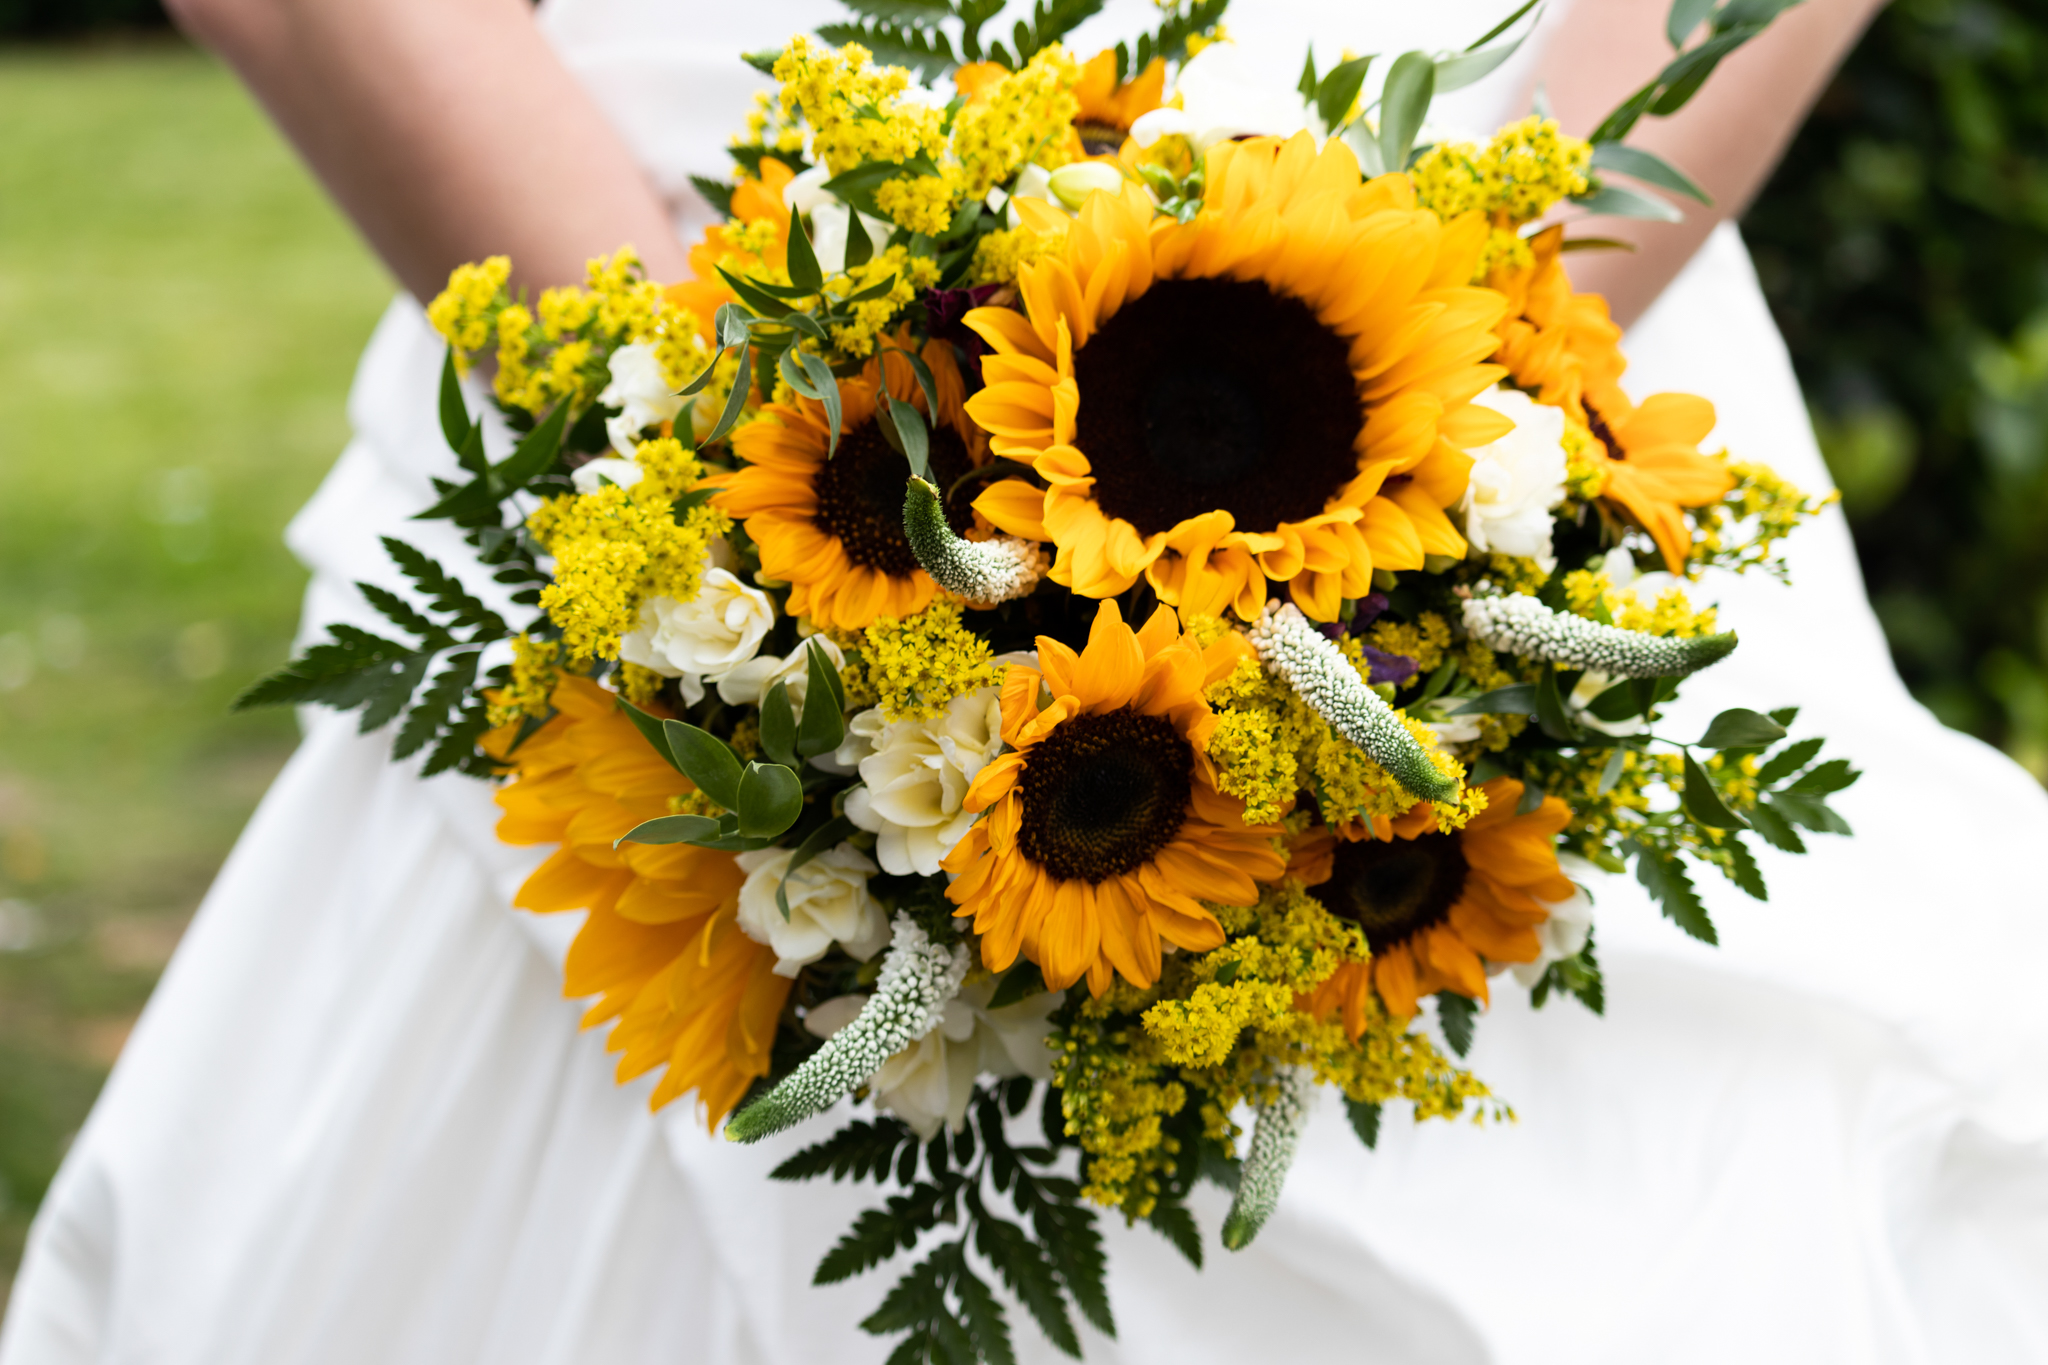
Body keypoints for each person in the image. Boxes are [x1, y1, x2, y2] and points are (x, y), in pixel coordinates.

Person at [10, 0, 2048, 1361]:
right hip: (647, 304)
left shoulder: (1478, 411)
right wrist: (725, 445)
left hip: (1510, 332)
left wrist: (1453, 406)